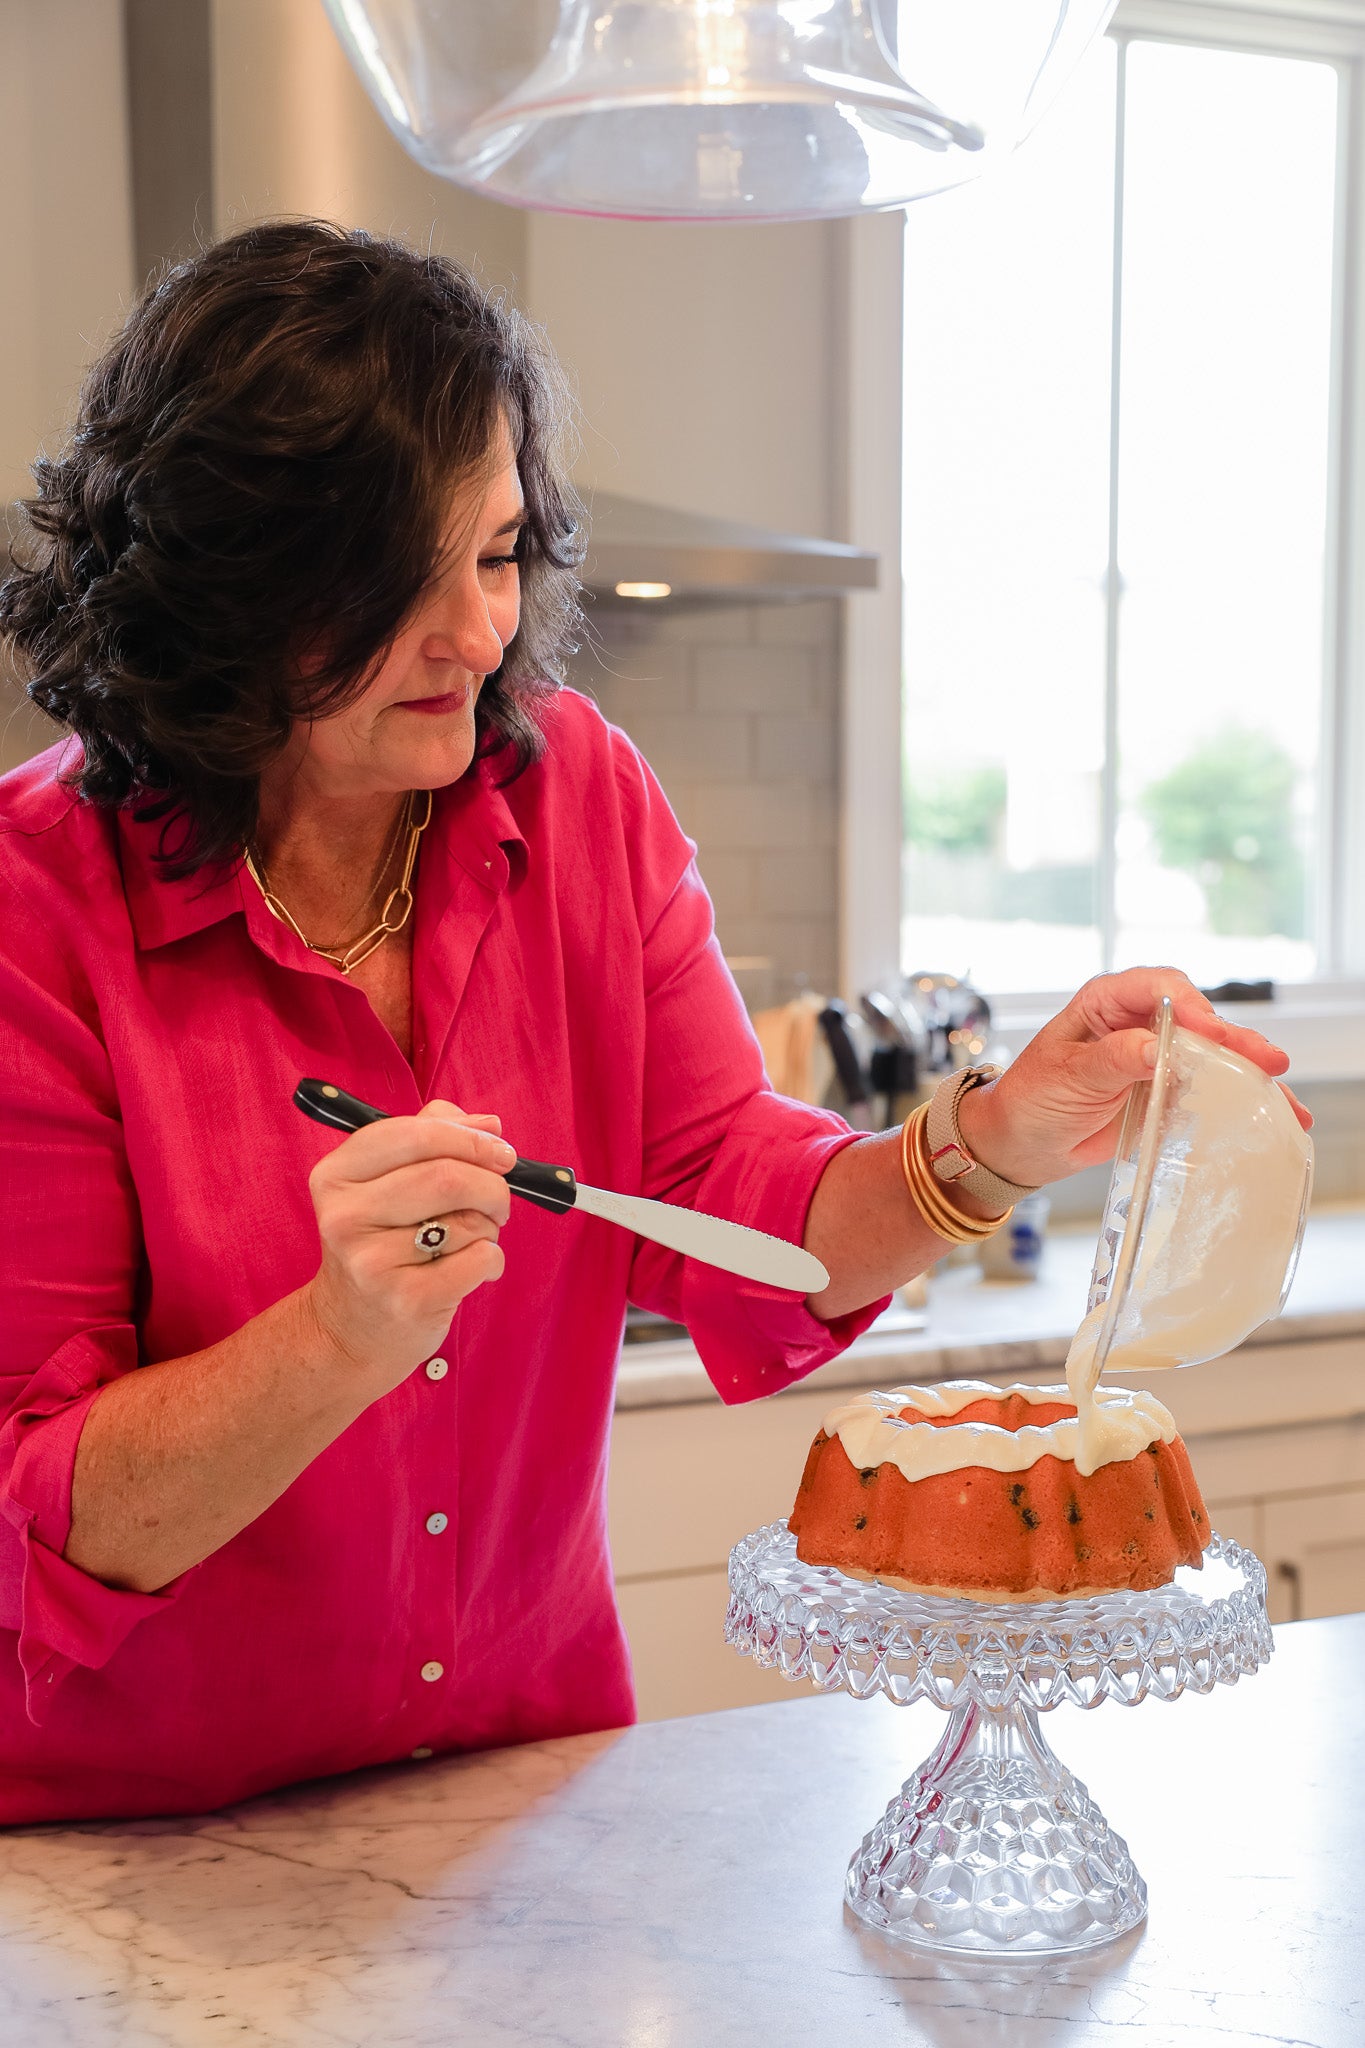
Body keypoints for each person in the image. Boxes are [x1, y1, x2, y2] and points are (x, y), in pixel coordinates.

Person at [0, 221, 1304, 1824]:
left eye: (493, 557)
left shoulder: (580, 800)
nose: (477, 639)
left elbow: (730, 1201)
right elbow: (44, 1523)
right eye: (393, 583)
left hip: (522, 1798)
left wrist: (991, 1136)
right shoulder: (36, 912)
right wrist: (336, 1337)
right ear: (219, 583)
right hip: (137, 1851)